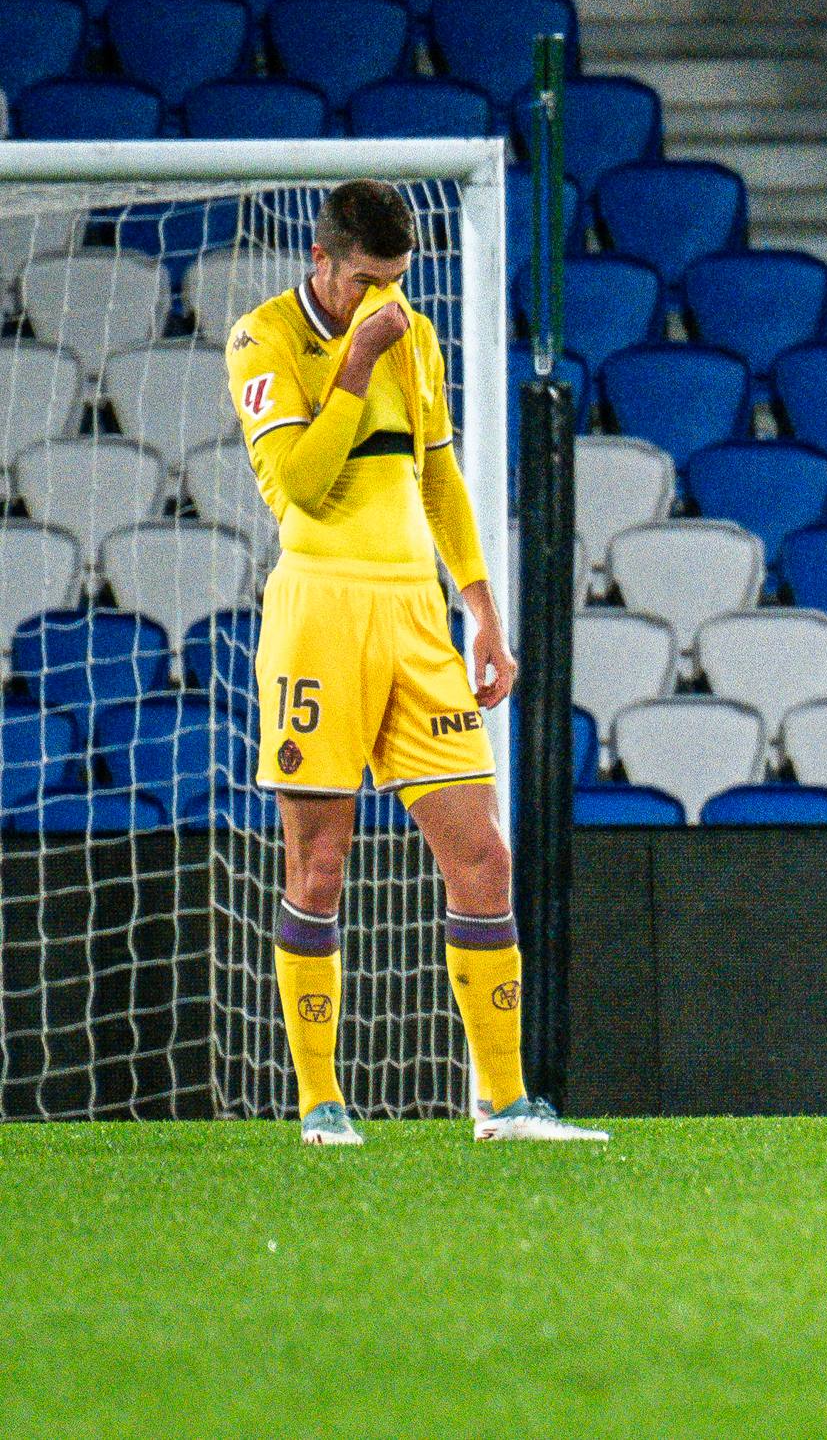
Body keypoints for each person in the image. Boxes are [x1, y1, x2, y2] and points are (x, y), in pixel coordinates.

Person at [225, 179, 604, 1145]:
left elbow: (438, 475)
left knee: (483, 855)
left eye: (396, 281)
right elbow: (303, 489)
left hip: (413, 615)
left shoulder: (413, 334)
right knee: (320, 862)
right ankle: (320, 1103)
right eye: (365, 281)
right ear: (323, 262)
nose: (383, 301)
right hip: (319, 610)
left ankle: (505, 1102)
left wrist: (481, 610)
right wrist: (351, 366)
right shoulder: (263, 341)